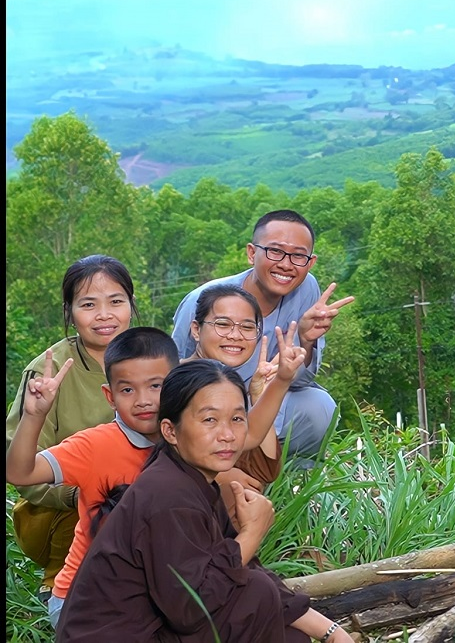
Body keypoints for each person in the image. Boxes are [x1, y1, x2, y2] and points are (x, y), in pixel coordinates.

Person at [57, 359, 352, 643]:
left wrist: (331, 632)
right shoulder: (167, 495)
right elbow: (190, 609)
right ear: (170, 431)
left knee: (284, 627)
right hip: (119, 635)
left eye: (237, 419)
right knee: (256, 595)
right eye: (210, 419)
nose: (227, 435)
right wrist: (252, 532)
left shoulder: (190, 480)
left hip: (152, 627)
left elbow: (243, 569)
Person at [6, 328, 178, 628]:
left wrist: (277, 383)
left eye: (156, 386)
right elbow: (19, 472)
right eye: (127, 390)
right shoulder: (95, 445)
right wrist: (35, 415)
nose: (143, 400)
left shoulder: (187, 440)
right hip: (83, 596)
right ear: (109, 397)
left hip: (155, 590)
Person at [4, 254, 138, 599]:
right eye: (89, 304)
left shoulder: (150, 360)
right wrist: (87, 493)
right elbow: (20, 467)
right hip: (62, 510)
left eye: (116, 301)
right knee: (96, 492)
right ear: (70, 312)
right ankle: (60, 587)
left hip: (142, 500)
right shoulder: (47, 373)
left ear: (131, 305)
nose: (105, 315)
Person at [171, 209, 355, 459]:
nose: (286, 264)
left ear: (310, 262)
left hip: (264, 398)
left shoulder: (307, 288)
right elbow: (172, 377)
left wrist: (307, 340)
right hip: (206, 408)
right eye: (275, 251)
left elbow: (300, 382)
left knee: (319, 408)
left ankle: (282, 476)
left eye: (298, 256)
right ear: (251, 253)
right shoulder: (203, 301)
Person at [181, 283, 308, 520]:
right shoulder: (169, 381)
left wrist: (260, 393)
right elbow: (147, 455)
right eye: (222, 324)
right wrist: (218, 477)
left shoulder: (230, 389)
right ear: (196, 330)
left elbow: (265, 469)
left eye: (247, 327)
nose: (235, 335)